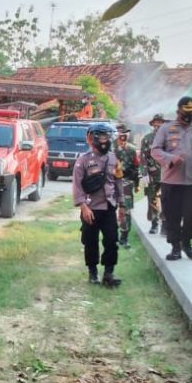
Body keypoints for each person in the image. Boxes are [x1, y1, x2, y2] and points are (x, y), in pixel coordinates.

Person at [152, 97, 192, 261]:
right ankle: (175, 247)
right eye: (186, 111)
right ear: (178, 111)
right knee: (172, 216)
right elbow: (155, 150)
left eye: (191, 111)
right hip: (171, 182)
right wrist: (171, 158)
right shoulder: (165, 128)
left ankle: (187, 243)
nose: (189, 114)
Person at [73, 122, 123, 287]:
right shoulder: (83, 160)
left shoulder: (114, 159)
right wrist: (83, 206)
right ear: (93, 138)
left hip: (108, 207)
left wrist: (121, 205)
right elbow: (77, 185)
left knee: (111, 240)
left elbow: (118, 183)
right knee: (90, 241)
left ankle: (109, 273)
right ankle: (92, 272)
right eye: (102, 136)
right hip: (91, 208)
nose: (106, 140)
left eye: (108, 137)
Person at [113, 123, 141, 249]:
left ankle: (124, 238)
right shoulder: (109, 147)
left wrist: (136, 184)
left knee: (125, 211)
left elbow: (136, 167)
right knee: (108, 210)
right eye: (120, 133)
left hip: (126, 183)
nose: (122, 135)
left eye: (124, 133)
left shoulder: (131, 149)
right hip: (111, 183)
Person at [140, 114, 165, 235]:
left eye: (160, 122)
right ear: (153, 124)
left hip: (167, 175)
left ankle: (165, 226)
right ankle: (154, 224)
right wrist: (144, 173)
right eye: (156, 122)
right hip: (152, 175)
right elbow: (143, 157)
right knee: (152, 200)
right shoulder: (147, 139)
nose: (158, 125)